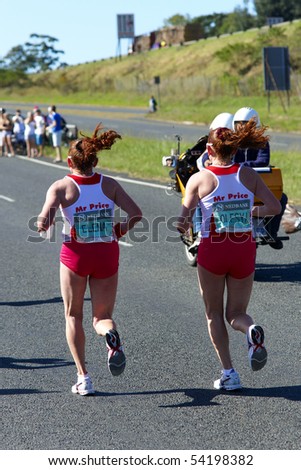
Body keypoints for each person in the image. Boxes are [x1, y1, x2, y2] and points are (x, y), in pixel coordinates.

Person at [37, 123, 142, 396]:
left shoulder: (61, 187)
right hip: (106, 252)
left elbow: (44, 222)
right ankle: (110, 337)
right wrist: (118, 230)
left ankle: (84, 377)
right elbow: (136, 214)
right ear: (95, 160)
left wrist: (44, 221)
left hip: (76, 255)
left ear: (70, 161)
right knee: (102, 317)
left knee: (73, 315)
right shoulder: (109, 184)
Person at [177, 120, 281, 390]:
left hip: (213, 250)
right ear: (235, 149)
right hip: (244, 248)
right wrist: (249, 212)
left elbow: (183, 220)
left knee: (213, 314)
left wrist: (183, 226)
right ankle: (250, 330)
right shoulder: (248, 175)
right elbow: (272, 207)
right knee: (236, 313)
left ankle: (229, 373)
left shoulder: (199, 179)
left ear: (209, 149)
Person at [232, 107, 287, 249]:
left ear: (255, 124)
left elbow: (263, 160)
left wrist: (242, 165)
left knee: (281, 198)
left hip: (256, 183)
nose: (242, 127)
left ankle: (271, 232)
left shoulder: (262, 141)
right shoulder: (231, 141)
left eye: (246, 123)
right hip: (235, 183)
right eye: (239, 123)